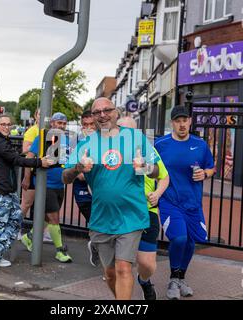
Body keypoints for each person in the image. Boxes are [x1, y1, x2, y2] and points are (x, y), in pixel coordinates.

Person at [62, 98, 160, 300]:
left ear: (116, 112)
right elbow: (65, 177)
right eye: (97, 112)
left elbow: (156, 171)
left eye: (107, 110)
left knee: (124, 268)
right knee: (110, 273)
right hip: (102, 218)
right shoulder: (86, 144)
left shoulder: (136, 137)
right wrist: (78, 168)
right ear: (92, 116)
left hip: (131, 216)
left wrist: (145, 166)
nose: (102, 115)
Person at [0, 114, 54, 268]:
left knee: (13, 221)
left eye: (8, 124)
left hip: (6, 188)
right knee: (1, 223)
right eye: (3, 124)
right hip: (1, 189)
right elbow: (16, 159)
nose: (6, 127)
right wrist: (39, 162)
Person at [154, 105, 215, 300]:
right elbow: (148, 169)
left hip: (193, 203)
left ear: (190, 121)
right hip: (169, 201)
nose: (182, 124)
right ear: (172, 123)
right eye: (177, 121)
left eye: (185, 120)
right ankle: (173, 279)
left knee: (190, 242)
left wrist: (204, 174)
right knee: (178, 238)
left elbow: (211, 168)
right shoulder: (160, 144)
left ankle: (181, 278)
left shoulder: (200, 145)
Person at [117, 116, 170, 300]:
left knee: (147, 264)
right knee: (122, 265)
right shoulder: (109, 153)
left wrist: (157, 194)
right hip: (119, 212)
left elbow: (164, 176)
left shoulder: (147, 151)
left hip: (146, 210)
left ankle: (144, 280)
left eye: (131, 131)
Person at [21, 112, 73, 263]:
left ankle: (28, 237)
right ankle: (60, 251)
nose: (61, 126)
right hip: (45, 184)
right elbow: (29, 157)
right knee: (54, 217)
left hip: (59, 183)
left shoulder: (67, 140)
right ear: (52, 124)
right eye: (58, 123)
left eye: (64, 123)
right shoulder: (42, 138)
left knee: (46, 217)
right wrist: (27, 177)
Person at [20, 108, 52, 243]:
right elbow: (25, 151)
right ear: (36, 116)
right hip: (32, 170)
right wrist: (27, 177)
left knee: (47, 205)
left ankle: (43, 232)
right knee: (26, 204)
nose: (44, 117)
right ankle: (14, 228)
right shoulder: (32, 131)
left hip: (45, 172)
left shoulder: (50, 132)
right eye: (40, 114)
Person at [73, 111, 98, 266]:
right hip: (83, 193)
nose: (88, 128)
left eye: (91, 125)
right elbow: (78, 174)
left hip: (101, 192)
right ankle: (96, 246)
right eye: (85, 125)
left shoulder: (105, 142)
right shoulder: (76, 143)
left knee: (100, 225)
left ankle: (97, 248)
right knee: (95, 223)